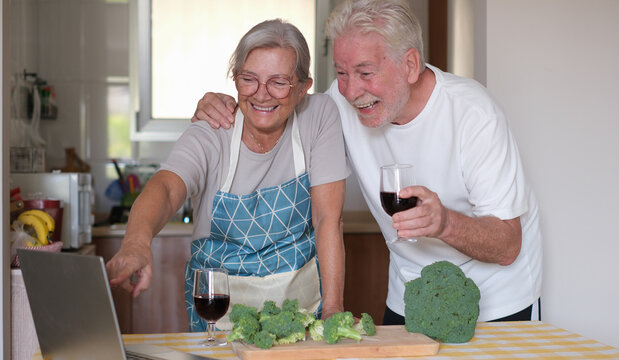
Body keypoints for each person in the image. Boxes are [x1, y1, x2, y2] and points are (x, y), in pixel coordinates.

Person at [191, 0, 543, 325]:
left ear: (410, 65)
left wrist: (444, 222)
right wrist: (223, 105)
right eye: (341, 73)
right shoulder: (338, 106)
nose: (350, 90)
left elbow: (508, 245)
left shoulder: (473, 114)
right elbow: (275, 106)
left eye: (365, 72)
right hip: (411, 295)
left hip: (497, 302)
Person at [106, 19, 349, 331]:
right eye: (250, 79)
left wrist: (333, 309)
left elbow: (329, 218)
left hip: (300, 315)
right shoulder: (214, 126)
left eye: (278, 82)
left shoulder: (319, 116)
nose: (261, 95)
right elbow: (166, 188)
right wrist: (137, 243)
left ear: (303, 88)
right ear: (235, 80)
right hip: (218, 318)